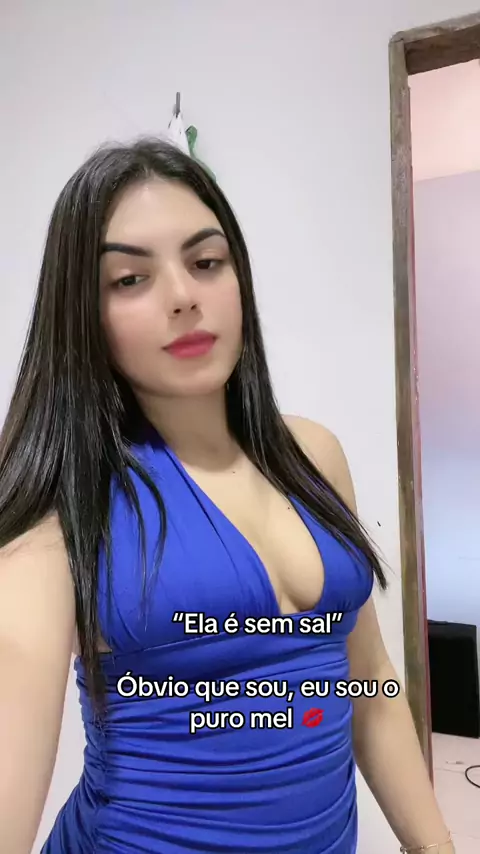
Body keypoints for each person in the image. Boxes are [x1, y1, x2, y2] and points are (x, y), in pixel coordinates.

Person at [0, 138, 453, 854]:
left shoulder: (314, 454)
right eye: (130, 279)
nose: (184, 296)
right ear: (82, 314)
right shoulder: (64, 510)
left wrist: (436, 847)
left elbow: (368, 681)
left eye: (206, 262)